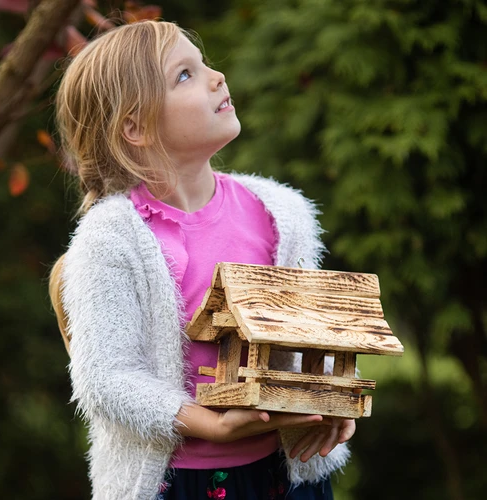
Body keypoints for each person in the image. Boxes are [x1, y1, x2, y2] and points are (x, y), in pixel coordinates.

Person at [49, 20, 356, 500]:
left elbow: (307, 338)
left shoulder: (279, 213)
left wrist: (334, 406)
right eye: (186, 75)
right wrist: (208, 426)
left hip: (288, 476)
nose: (217, 77)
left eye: (205, 63)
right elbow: (106, 380)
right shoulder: (111, 238)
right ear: (135, 127)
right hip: (176, 486)